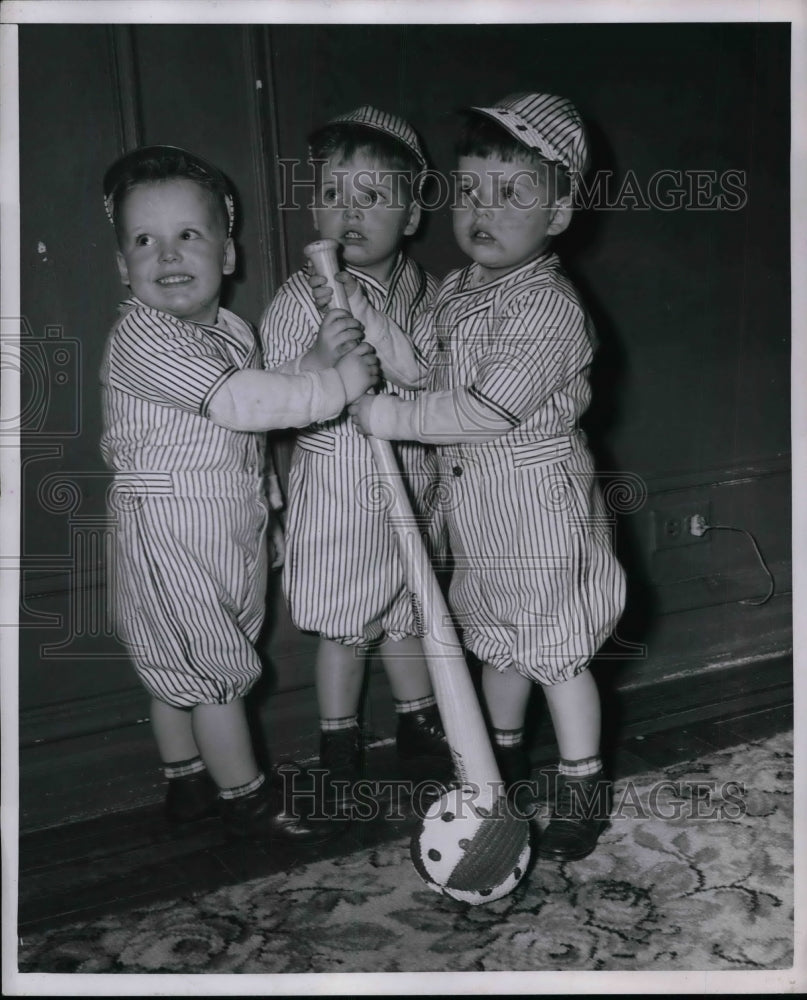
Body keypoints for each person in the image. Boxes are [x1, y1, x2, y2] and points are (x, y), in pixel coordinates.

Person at [339, 94, 626, 860]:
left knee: (554, 651)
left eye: (511, 195)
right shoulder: (462, 290)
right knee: (498, 644)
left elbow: (486, 407)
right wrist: (372, 333)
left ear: (559, 214)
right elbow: (423, 371)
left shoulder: (549, 306)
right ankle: (500, 765)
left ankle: (581, 783)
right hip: (478, 512)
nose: (481, 211)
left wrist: (392, 421)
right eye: (469, 191)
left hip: (537, 509)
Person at [99, 145, 379, 840]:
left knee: (185, 664)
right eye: (144, 240)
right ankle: (248, 797)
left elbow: (257, 413)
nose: (167, 254)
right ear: (122, 269)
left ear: (227, 257)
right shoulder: (142, 337)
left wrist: (314, 359)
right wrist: (334, 387)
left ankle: (187, 781)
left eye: (188, 235)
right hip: (166, 524)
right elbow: (243, 405)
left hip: (225, 519)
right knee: (212, 667)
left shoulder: (228, 330)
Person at [259, 107, 453, 807]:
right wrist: (316, 358)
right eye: (334, 195)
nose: (349, 213)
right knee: (346, 622)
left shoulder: (431, 297)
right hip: (341, 483)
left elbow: (434, 378)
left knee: (407, 608)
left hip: (413, 476)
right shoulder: (298, 296)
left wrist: (383, 336)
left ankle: (418, 723)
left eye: (372, 197)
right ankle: (337, 741)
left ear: (410, 216)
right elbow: (270, 392)